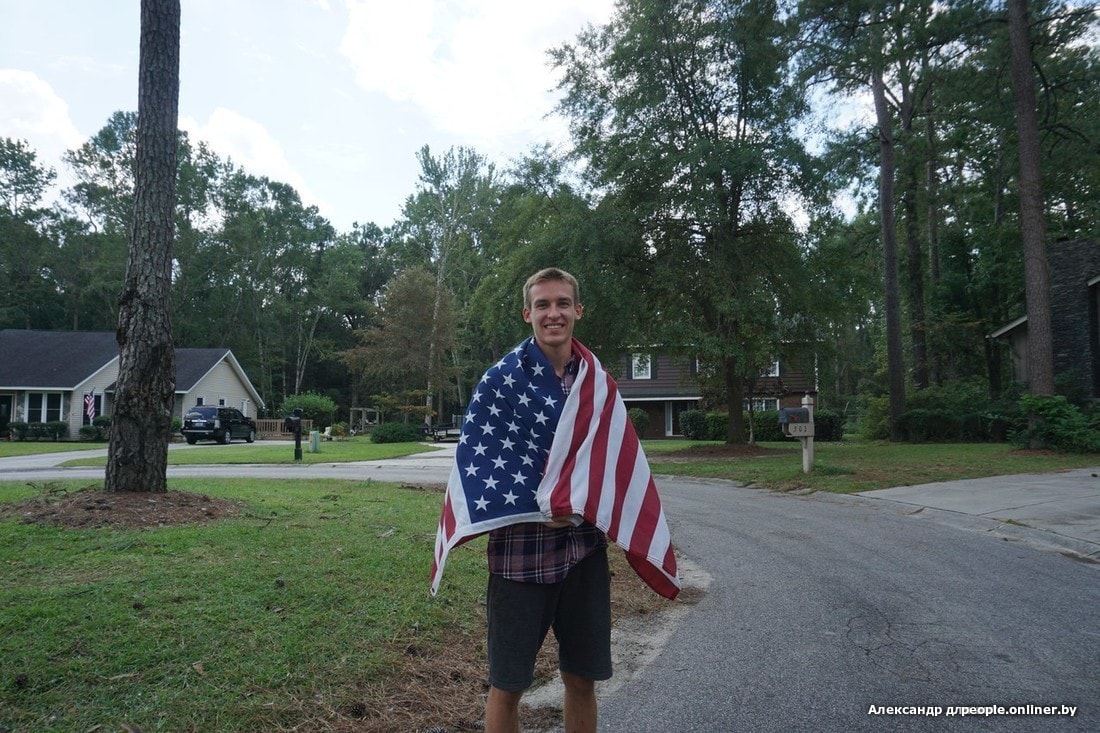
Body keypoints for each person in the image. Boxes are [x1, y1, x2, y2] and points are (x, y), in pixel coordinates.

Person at [483, 267, 610, 733]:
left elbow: (611, 458)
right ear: (527, 314)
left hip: (584, 555)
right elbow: (484, 463)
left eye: (561, 303)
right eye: (542, 305)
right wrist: (543, 508)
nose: (552, 313)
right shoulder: (500, 382)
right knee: (508, 684)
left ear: (578, 310)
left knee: (582, 678)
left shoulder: (597, 381)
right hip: (520, 559)